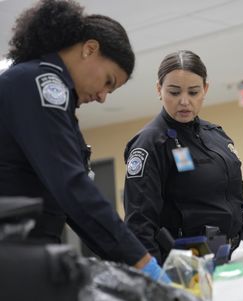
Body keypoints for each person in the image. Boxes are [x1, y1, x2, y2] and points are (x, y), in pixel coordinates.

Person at [0, 0, 169, 282]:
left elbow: (73, 204)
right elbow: (72, 184)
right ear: (89, 49)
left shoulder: (35, 84)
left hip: (25, 252)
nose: (103, 96)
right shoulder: (42, 83)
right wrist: (141, 262)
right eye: (108, 81)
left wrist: (135, 262)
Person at [123, 50, 243, 263]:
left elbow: (237, 203)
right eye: (174, 92)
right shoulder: (150, 143)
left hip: (236, 253)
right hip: (188, 261)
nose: (184, 101)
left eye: (193, 92)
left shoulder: (217, 135)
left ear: (205, 89)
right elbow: (139, 223)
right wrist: (157, 280)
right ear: (159, 89)